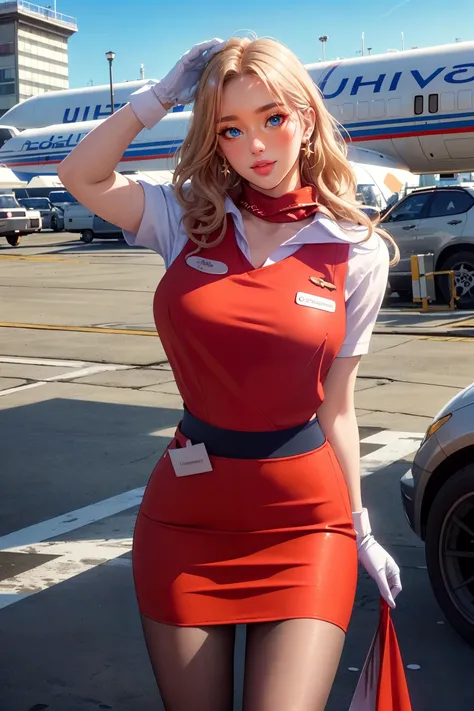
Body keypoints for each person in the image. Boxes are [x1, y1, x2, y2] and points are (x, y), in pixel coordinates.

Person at [58, 36, 403, 711]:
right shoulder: (185, 217)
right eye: (232, 129)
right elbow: (82, 176)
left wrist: (360, 525)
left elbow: (337, 404)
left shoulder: (356, 250)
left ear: (306, 116)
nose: (258, 145)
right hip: (186, 522)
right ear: (215, 141)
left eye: (273, 117)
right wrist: (158, 98)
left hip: (305, 524)